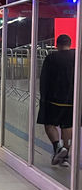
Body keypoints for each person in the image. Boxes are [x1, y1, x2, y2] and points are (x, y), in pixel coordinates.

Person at [37, 33, 75, 167]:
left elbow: (44, 79)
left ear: (56, 45)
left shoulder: (51, 58)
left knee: (49, 124)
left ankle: (57, 147)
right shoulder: (76, 57)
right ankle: (65, 156)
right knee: (68, 126)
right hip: (71, 100)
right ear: (70, 44)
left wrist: (43, 97)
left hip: (53, 100)